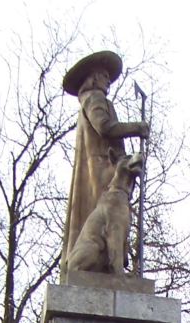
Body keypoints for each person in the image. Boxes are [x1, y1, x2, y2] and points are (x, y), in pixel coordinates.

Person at [60, 51, 150, 273]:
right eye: (103, 74)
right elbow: (105, 127)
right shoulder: (95, 99)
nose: (108, 79)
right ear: (92, 78)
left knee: (109, 218)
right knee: (110, 218)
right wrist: (137, 127)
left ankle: (110, 265)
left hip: (102, 166)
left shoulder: (90, 100)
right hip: (102, 169)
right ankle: (112, 267)